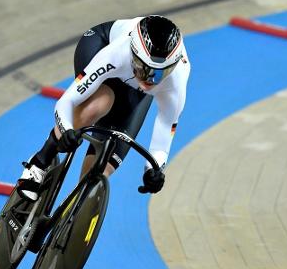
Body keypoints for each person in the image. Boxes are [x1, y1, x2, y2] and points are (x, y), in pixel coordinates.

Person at [18, 15, 191, 201]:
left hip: (132, 86)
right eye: (144, 69)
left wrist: (154, 170)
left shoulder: (176, 79)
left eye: (158, 75)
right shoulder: (117, 52)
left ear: (171, 67)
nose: (149, 80)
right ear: (134, 55)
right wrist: (67, 129)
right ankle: (39, 162)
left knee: (103, 169)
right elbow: (67, 101)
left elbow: (165, 130)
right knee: (101, 102)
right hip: (99, 45)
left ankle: (72, 211)